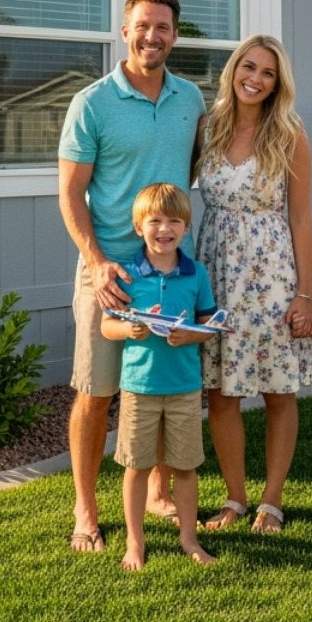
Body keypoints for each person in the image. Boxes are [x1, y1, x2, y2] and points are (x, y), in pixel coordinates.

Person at [58, 0, 205, 554]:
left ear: (175, 34)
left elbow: (193, 172)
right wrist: (96, 263)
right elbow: (70, 194)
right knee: (97, 393)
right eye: (143, 25)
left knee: (163, 384)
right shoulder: (92, 103)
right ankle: (86, 509)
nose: (153, 36)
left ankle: (158, 492)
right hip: (111, 274)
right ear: (125, 31)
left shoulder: (191, 99)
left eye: (164, 27)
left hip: (168, 270)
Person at [195, 34, 312, 535]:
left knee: (277, 390)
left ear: (277, 83)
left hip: (270, 275)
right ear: (233, 70)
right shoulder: (207, 126)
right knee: (222, 393)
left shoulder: (289, 133)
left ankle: (272, 501)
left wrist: (304, 295)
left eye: (268, 73)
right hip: (214, 270)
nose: (256, 79)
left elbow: (303, 217)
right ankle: (235, 498)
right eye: (249, 67)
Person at [100, 184, 220, 570]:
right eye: (154, 221)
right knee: (137, 467)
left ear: (186, 227)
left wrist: (191, 336)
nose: (164, 229)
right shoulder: (129, 275)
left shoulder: (196, 273)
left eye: (174, 221)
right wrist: (130, 330)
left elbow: (210, 325)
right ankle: (135, 544)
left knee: (185, 467)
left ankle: (189, 540)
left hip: (184, 388)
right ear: (139, 227)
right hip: (139, 388)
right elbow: (107, 326)